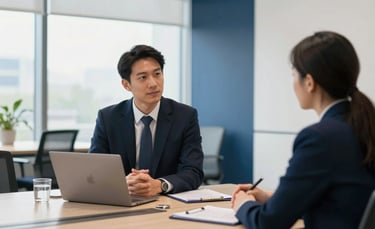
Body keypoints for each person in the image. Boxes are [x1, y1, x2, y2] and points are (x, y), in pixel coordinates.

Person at [232, 31, 375, 229]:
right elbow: (343, 197)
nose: (293, 83)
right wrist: (270, 197)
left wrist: (243, 204)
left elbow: (268, 223)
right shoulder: (364, 125)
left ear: (309, 82)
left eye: (293, 75)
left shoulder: (320, 138)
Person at [89, 44, 204, 197]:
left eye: (157, 74)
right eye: (143, 77)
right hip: (122, 202)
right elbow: (95, 171)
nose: (153, 83)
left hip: (167, 203)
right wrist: (123, 183)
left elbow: (193, 171)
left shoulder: (185, 116)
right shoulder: (108, 118)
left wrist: (160, 185)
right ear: (126, 85)